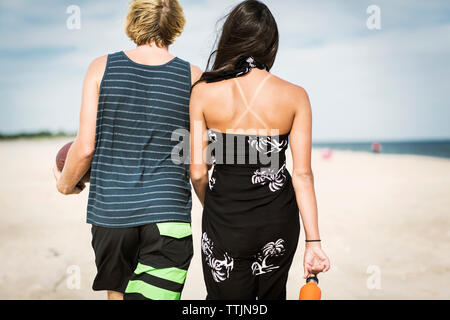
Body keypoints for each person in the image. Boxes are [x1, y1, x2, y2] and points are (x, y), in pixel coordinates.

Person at [53, 0, 202, 300]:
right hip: (167, 214)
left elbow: (84, 148)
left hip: (112, 215)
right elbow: (199, 157)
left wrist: (65, 185)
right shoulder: (193, 77)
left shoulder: (100, 67)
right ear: (176, 26)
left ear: (133, 21)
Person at [189, 0, 330, 300]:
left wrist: (213, 209)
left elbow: (198, 171)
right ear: (271, 45)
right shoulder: (295, 96)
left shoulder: (203, 92)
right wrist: (313, 242)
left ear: (231, 37)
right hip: (277, 221)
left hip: (224, 221)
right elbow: (302, 175)